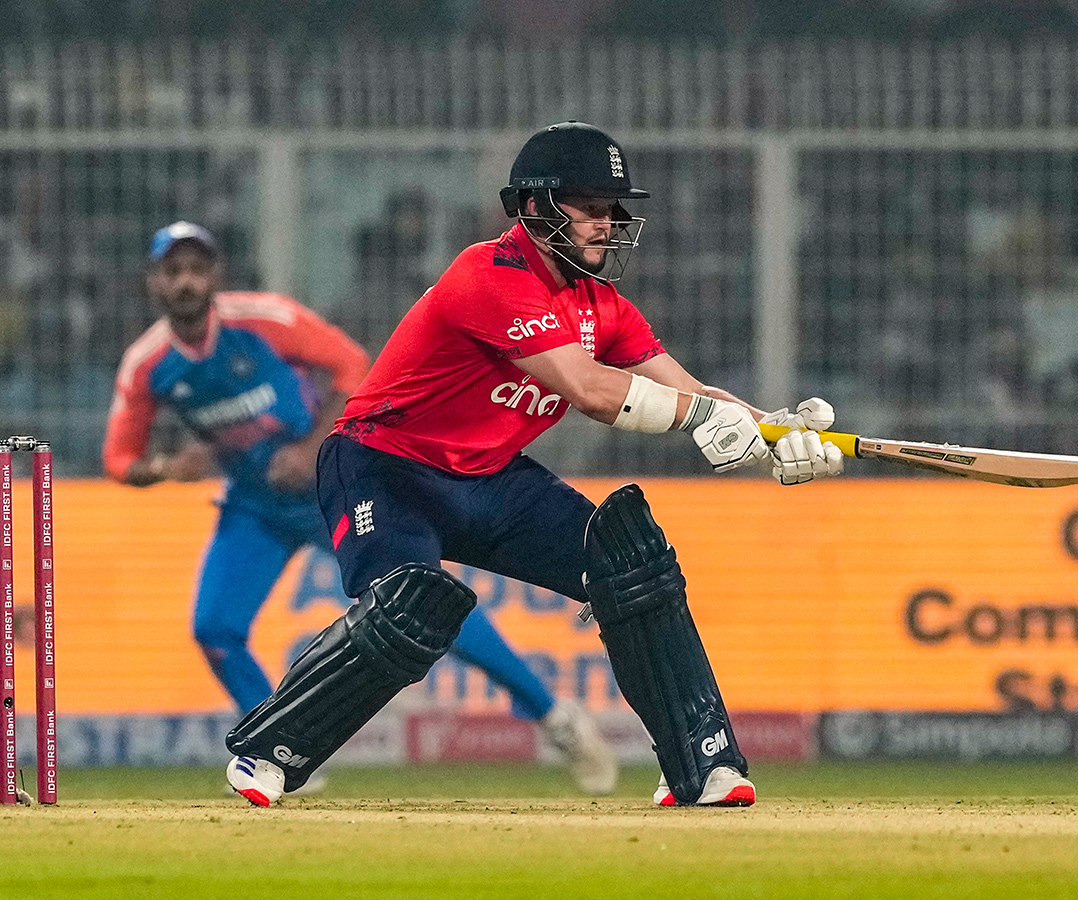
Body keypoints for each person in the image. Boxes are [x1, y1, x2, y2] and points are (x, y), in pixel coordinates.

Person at [224, 121, 844, 809]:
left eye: (615, 209)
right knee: (407, 610)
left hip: (490, 475)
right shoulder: (486, 274)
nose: (609, 224)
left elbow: (689, 394)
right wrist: (709, 421)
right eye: (591, 206)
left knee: (630, 563)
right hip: (385, 464)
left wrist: (769, 431)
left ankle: (704, 765)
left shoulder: (603, 307)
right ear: (535, 208)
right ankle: (270, 751)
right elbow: (593, 391)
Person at [104, 221, 618, 797]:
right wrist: (165, 470)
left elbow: (352, 365)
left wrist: (308, 447)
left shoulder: (264, 319)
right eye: (173, 272)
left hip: (332, 486)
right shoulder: (148, 363)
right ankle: (285, 747)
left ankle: (554, 716)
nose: (186, 283)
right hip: (256, 507)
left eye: (197, 269)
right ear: (154, 282)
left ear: (216, 276)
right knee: (216, 629)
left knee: (420, 601)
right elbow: (120, 458)